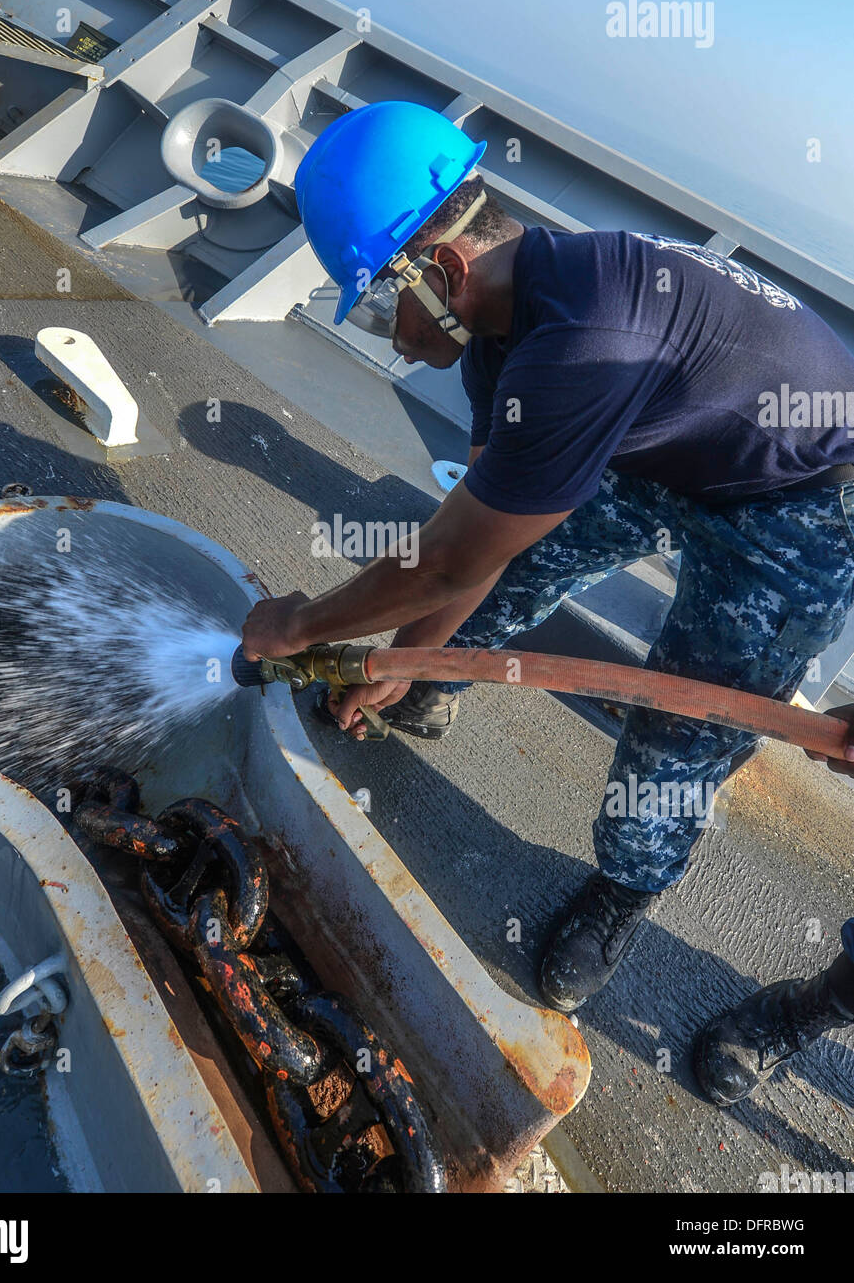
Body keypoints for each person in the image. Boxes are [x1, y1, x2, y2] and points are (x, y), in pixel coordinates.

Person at [241, 100, 854, 1101]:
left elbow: (440, 561)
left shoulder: (580, 340)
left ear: (434, 274)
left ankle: (623, 889)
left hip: (789, 501)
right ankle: (426, 685)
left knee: (675, 727)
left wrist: (301, 627)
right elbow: (473, 544)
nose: (388, 344)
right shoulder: (501, 318)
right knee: (521, 558)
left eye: (371, 306)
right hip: (667, 438)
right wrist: (395, 661)